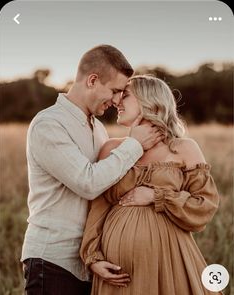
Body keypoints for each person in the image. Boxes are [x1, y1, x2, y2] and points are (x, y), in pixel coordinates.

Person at [21, 46, 163, 295]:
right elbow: (87, 183)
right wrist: (135, 145)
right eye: (115, 91)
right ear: (93, 80)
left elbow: (106, 191)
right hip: (53, 262)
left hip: (89, 263)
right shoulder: (49, 124)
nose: (118, 100)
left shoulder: (98, 129)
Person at [80, 74, 222, 295]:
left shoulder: (183, 148)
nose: (116, 101)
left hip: (170, 261)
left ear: (149, 100)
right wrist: (93, 257)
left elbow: (204, 205)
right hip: (119, 273)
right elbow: (97, 210)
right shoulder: (111, 149)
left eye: (125, 95)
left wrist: (156, 196)